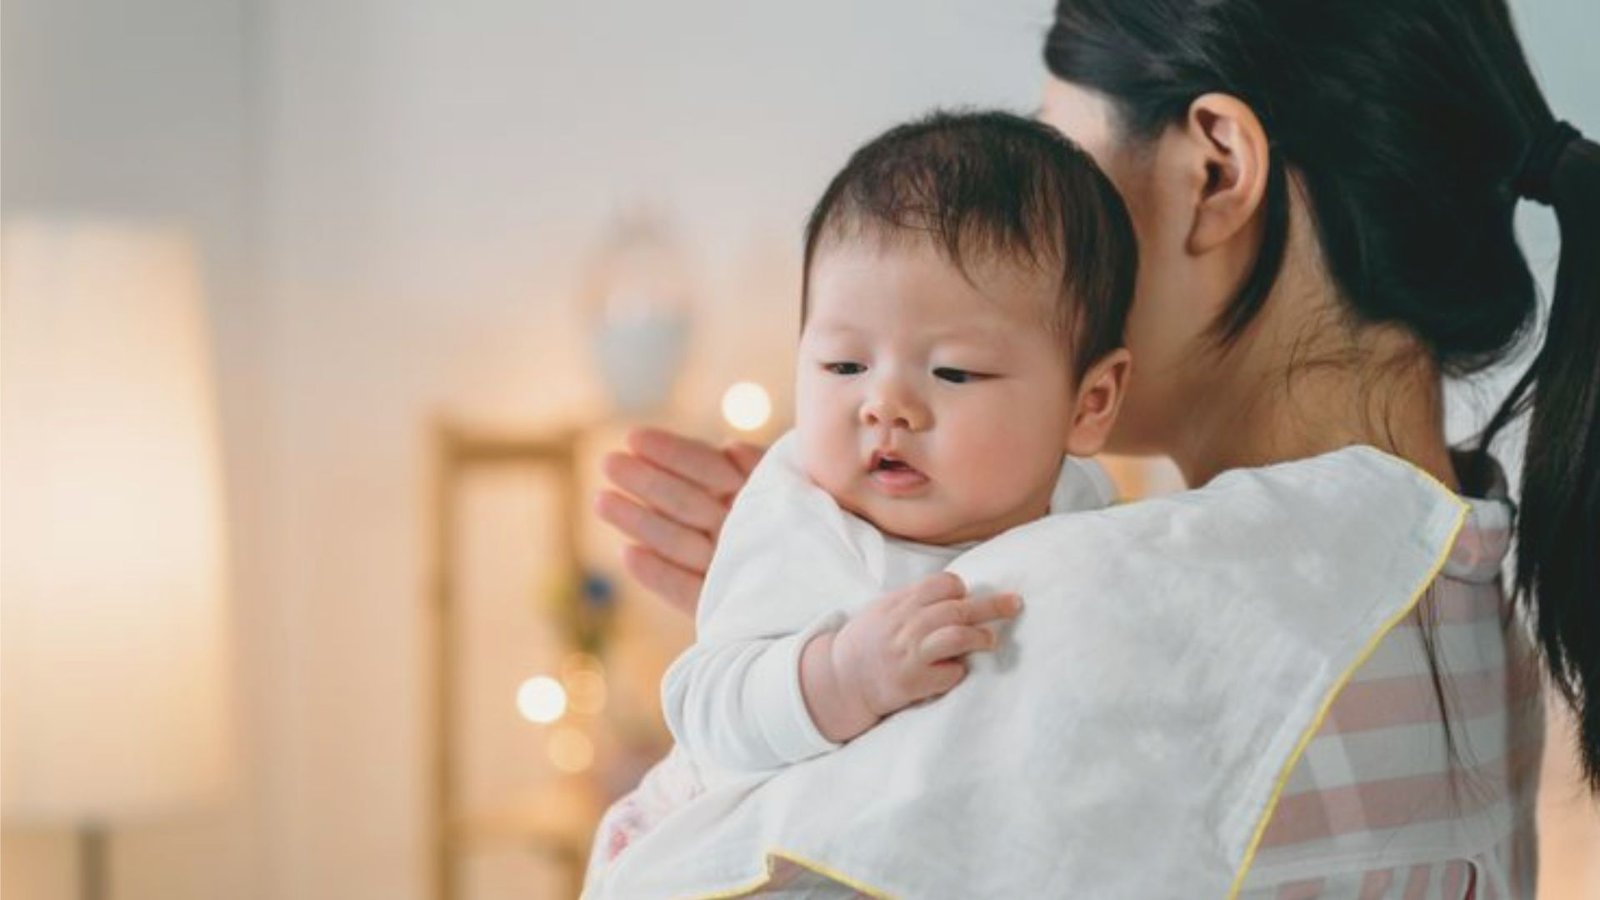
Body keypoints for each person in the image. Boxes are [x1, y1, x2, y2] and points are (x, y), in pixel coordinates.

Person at [598, 1, 1599, 894]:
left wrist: (820, 690)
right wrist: (839, 597)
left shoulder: (1110, 616)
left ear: (1215, 170)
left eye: (1059, 165)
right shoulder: (1468, 596)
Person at [588, 109, 1136, 870]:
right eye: (844, 366)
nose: (885, 405)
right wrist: (844, 673)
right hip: (717, 842)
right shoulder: (798, 513)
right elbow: (706, 705)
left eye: (954, 372)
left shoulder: (1092, 523)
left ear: (1090, 403)